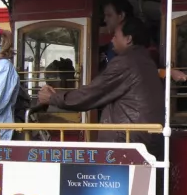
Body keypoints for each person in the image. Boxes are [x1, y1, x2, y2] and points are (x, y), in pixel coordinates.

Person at [38, 15, 164, 154]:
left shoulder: (124, 62)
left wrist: (53, 98)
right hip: (148, 140)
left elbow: (92, 93)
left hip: (128, 141)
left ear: (128, 39)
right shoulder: (146, 61)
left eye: (116, 36)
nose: (112, 40)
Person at [99, 0, 187, 83]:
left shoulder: (139, 49)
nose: (105, 19)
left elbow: (145, 69)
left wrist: (167, 73)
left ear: (129, 39)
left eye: (109, 15)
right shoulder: (109, 45)